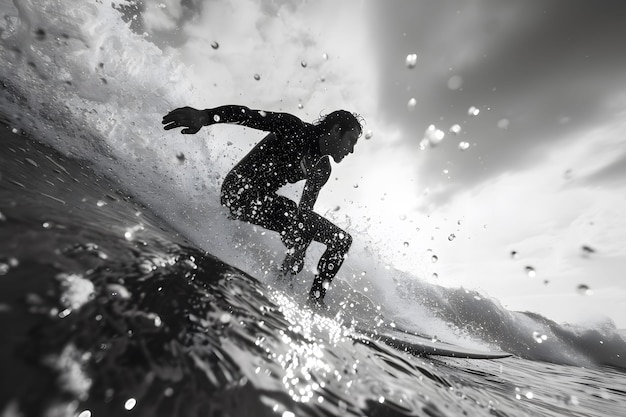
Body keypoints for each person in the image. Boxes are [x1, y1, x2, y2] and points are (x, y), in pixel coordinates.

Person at [162, 105, 363, 307]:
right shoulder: (295, 129)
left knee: (340, 240)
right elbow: (247, 116)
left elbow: (305, 215)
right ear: (337, 130)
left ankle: (305, 295)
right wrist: (204, 116)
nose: (351, 150)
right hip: (237, 192)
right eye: (351, 141)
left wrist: (296, 251)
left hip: (262, 201)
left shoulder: (321, 169)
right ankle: (298, 289)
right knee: (296, 217)